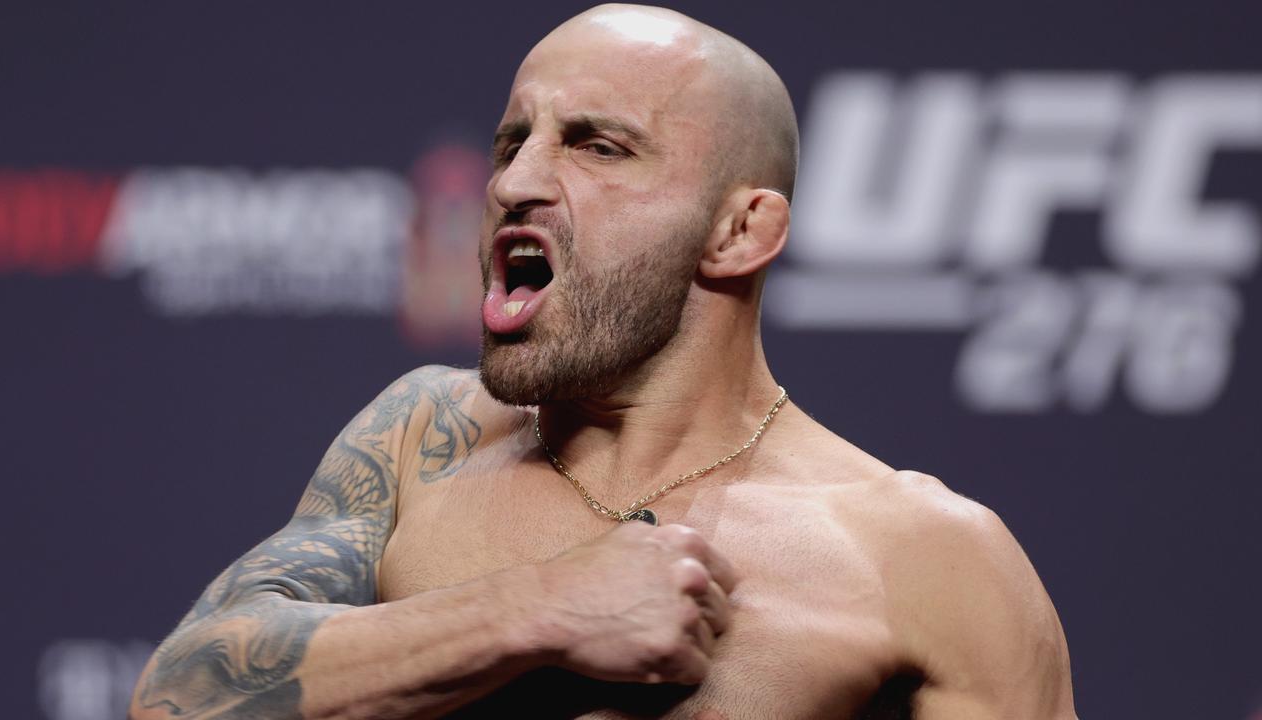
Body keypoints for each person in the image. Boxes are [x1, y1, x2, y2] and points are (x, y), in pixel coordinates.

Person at [130, 4, 1076, 719]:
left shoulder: (931, 563)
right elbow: (179, 694)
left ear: (740, 231)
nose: (513, 181)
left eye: (596, 145)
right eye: (515, 140)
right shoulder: (429, 434)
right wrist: (537, 609)